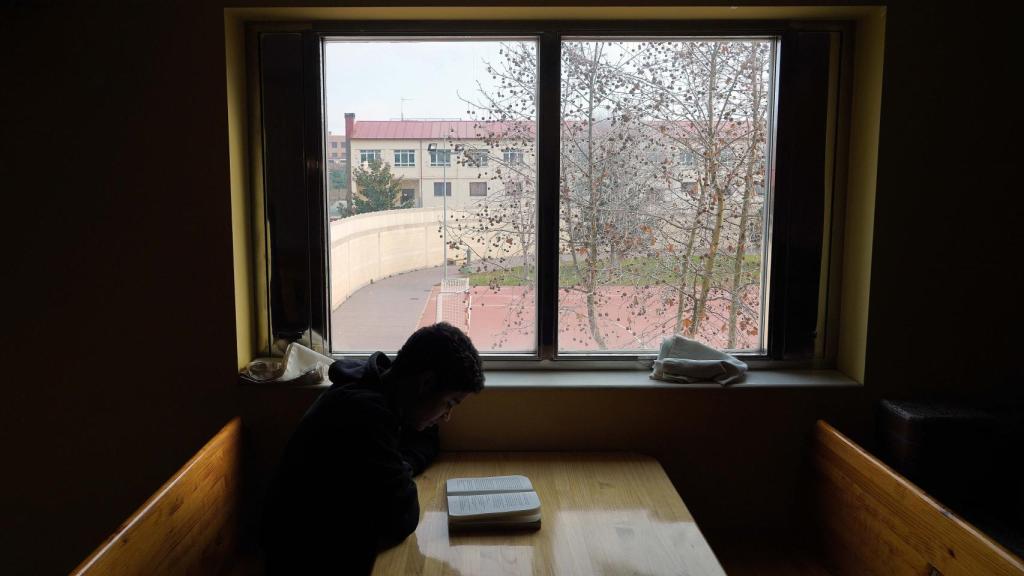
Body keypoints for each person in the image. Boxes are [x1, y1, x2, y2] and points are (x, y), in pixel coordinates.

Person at [261, 322, 485, 574]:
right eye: (449, 403)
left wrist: (398, 465)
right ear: (426, 383)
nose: (447, 417)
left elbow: (428, 438)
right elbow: (402, 518)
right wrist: (396, 470)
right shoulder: (364, 415)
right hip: (306, 560)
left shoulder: (385, 387)